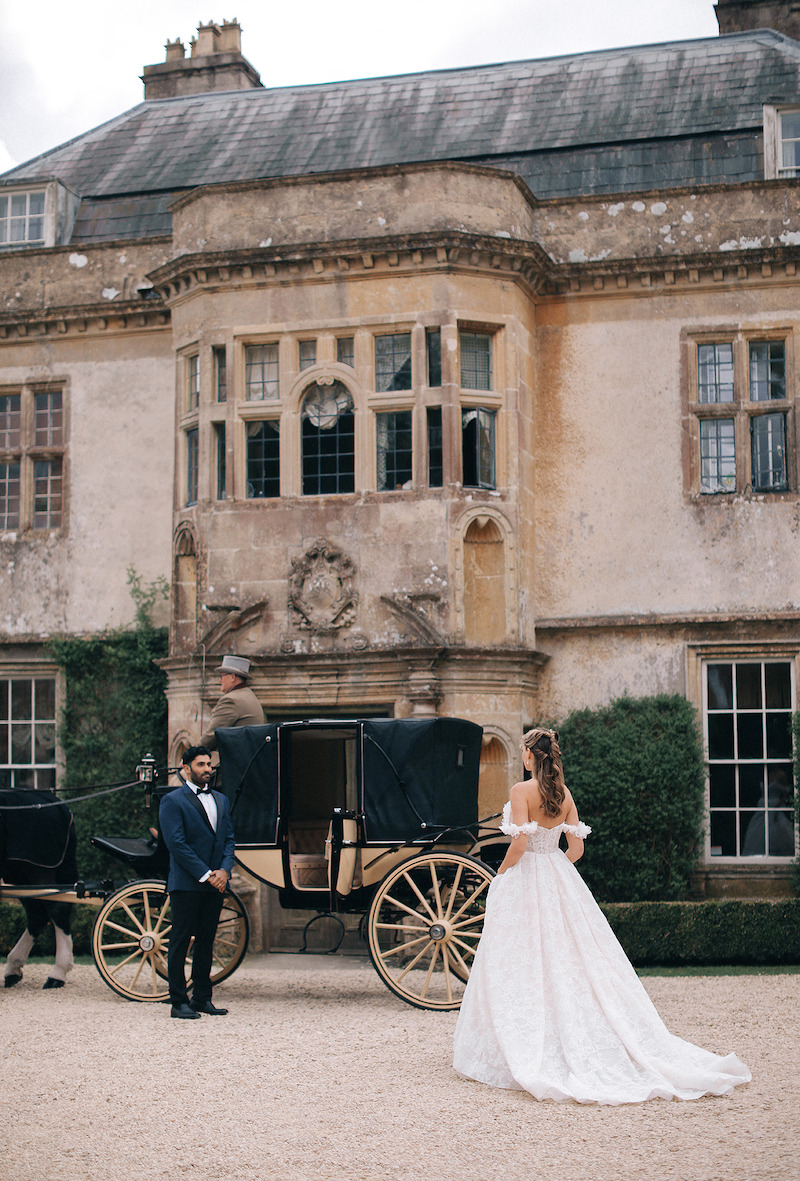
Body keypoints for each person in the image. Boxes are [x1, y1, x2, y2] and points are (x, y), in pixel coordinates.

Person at [453, 728, 751, 1104]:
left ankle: (523, 1038)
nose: (523, 757)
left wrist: (502, 874)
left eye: (524, 752)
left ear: (531, 756)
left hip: (526, 874)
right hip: (558, 875)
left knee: (519, 955)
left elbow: (520, 841)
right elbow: (575, 847)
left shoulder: (520, 791)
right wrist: (555, 869)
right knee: (571, 955)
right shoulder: (564, 794)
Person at [159, 745, 236, 1019]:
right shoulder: (172, 801)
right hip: (187, 883)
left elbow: (228, 840)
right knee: (180, 941)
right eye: (201, 764)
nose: (207, 769)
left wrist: (224, 871)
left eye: (209, 764)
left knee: (206, 941)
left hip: (216, 882)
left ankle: (202, 998)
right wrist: (207, 874)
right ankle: (178, 1002)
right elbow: (176, 845)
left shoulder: (221, 800)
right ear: (186, 768)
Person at [199, 655, 264, 750]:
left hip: (237, 760)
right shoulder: (249, 695)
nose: (219, 680)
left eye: (221, 676)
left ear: (233, 677)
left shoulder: (231, 700)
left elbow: (211, 737)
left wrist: (190, 756)